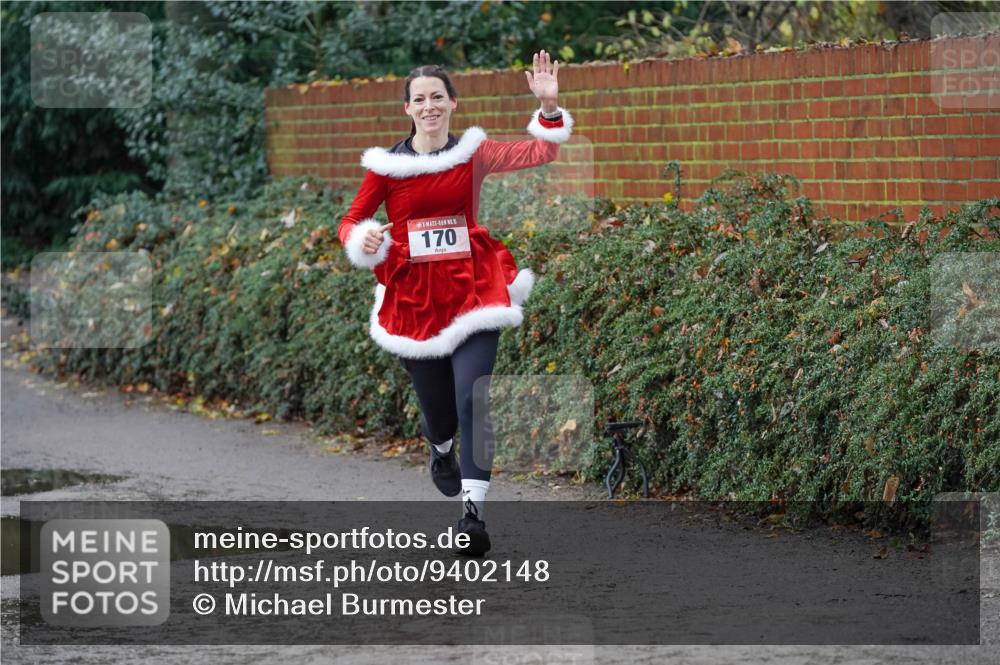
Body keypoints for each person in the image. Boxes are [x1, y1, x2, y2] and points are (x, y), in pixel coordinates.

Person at [337, 50, 572, 557]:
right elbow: (350, 222)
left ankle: (473, 514)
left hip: (473, 289)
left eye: (437, 97)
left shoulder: (473, 153)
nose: (429, 106)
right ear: (407, 108)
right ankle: (440, 448)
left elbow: (541, 152)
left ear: (452, 103)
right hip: (414, 302)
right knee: (440, 413)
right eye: (419, 99)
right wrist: (365, 240)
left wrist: (549, 106)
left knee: (475, 398)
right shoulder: (387, 168)